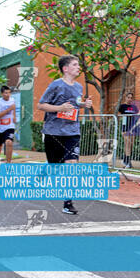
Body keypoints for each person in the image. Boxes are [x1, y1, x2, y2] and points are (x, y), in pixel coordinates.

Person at [38, 55, 92, 215]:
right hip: (54, 132)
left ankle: (68, 203)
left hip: (72, 132)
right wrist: (59, 108)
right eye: (75, 65)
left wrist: (84, 104)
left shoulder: (79, 87)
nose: (78, 67)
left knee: (71, 166)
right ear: (65, 69)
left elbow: (75, 105)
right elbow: (41, 105)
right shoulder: (56, 85)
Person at [0, 86, 16, 173]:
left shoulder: (12, 100)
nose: (8, 95)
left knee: (9, 142)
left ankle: (8, 164)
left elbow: (14, 108)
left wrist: (14, 117)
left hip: (9, 126)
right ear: (2, 94)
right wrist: (8, 109)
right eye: (6, 93)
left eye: (9, 92)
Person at [118, 92, 138, 168]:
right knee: (127, 144)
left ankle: (125, 160)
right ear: (125, 98)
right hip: (125, 128)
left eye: (131, 98)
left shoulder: (134, 107)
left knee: (131, 145)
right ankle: (128, 162)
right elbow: (117, 115)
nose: (130, 99)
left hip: (132, 128)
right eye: (128, 97)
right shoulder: (122, 106)